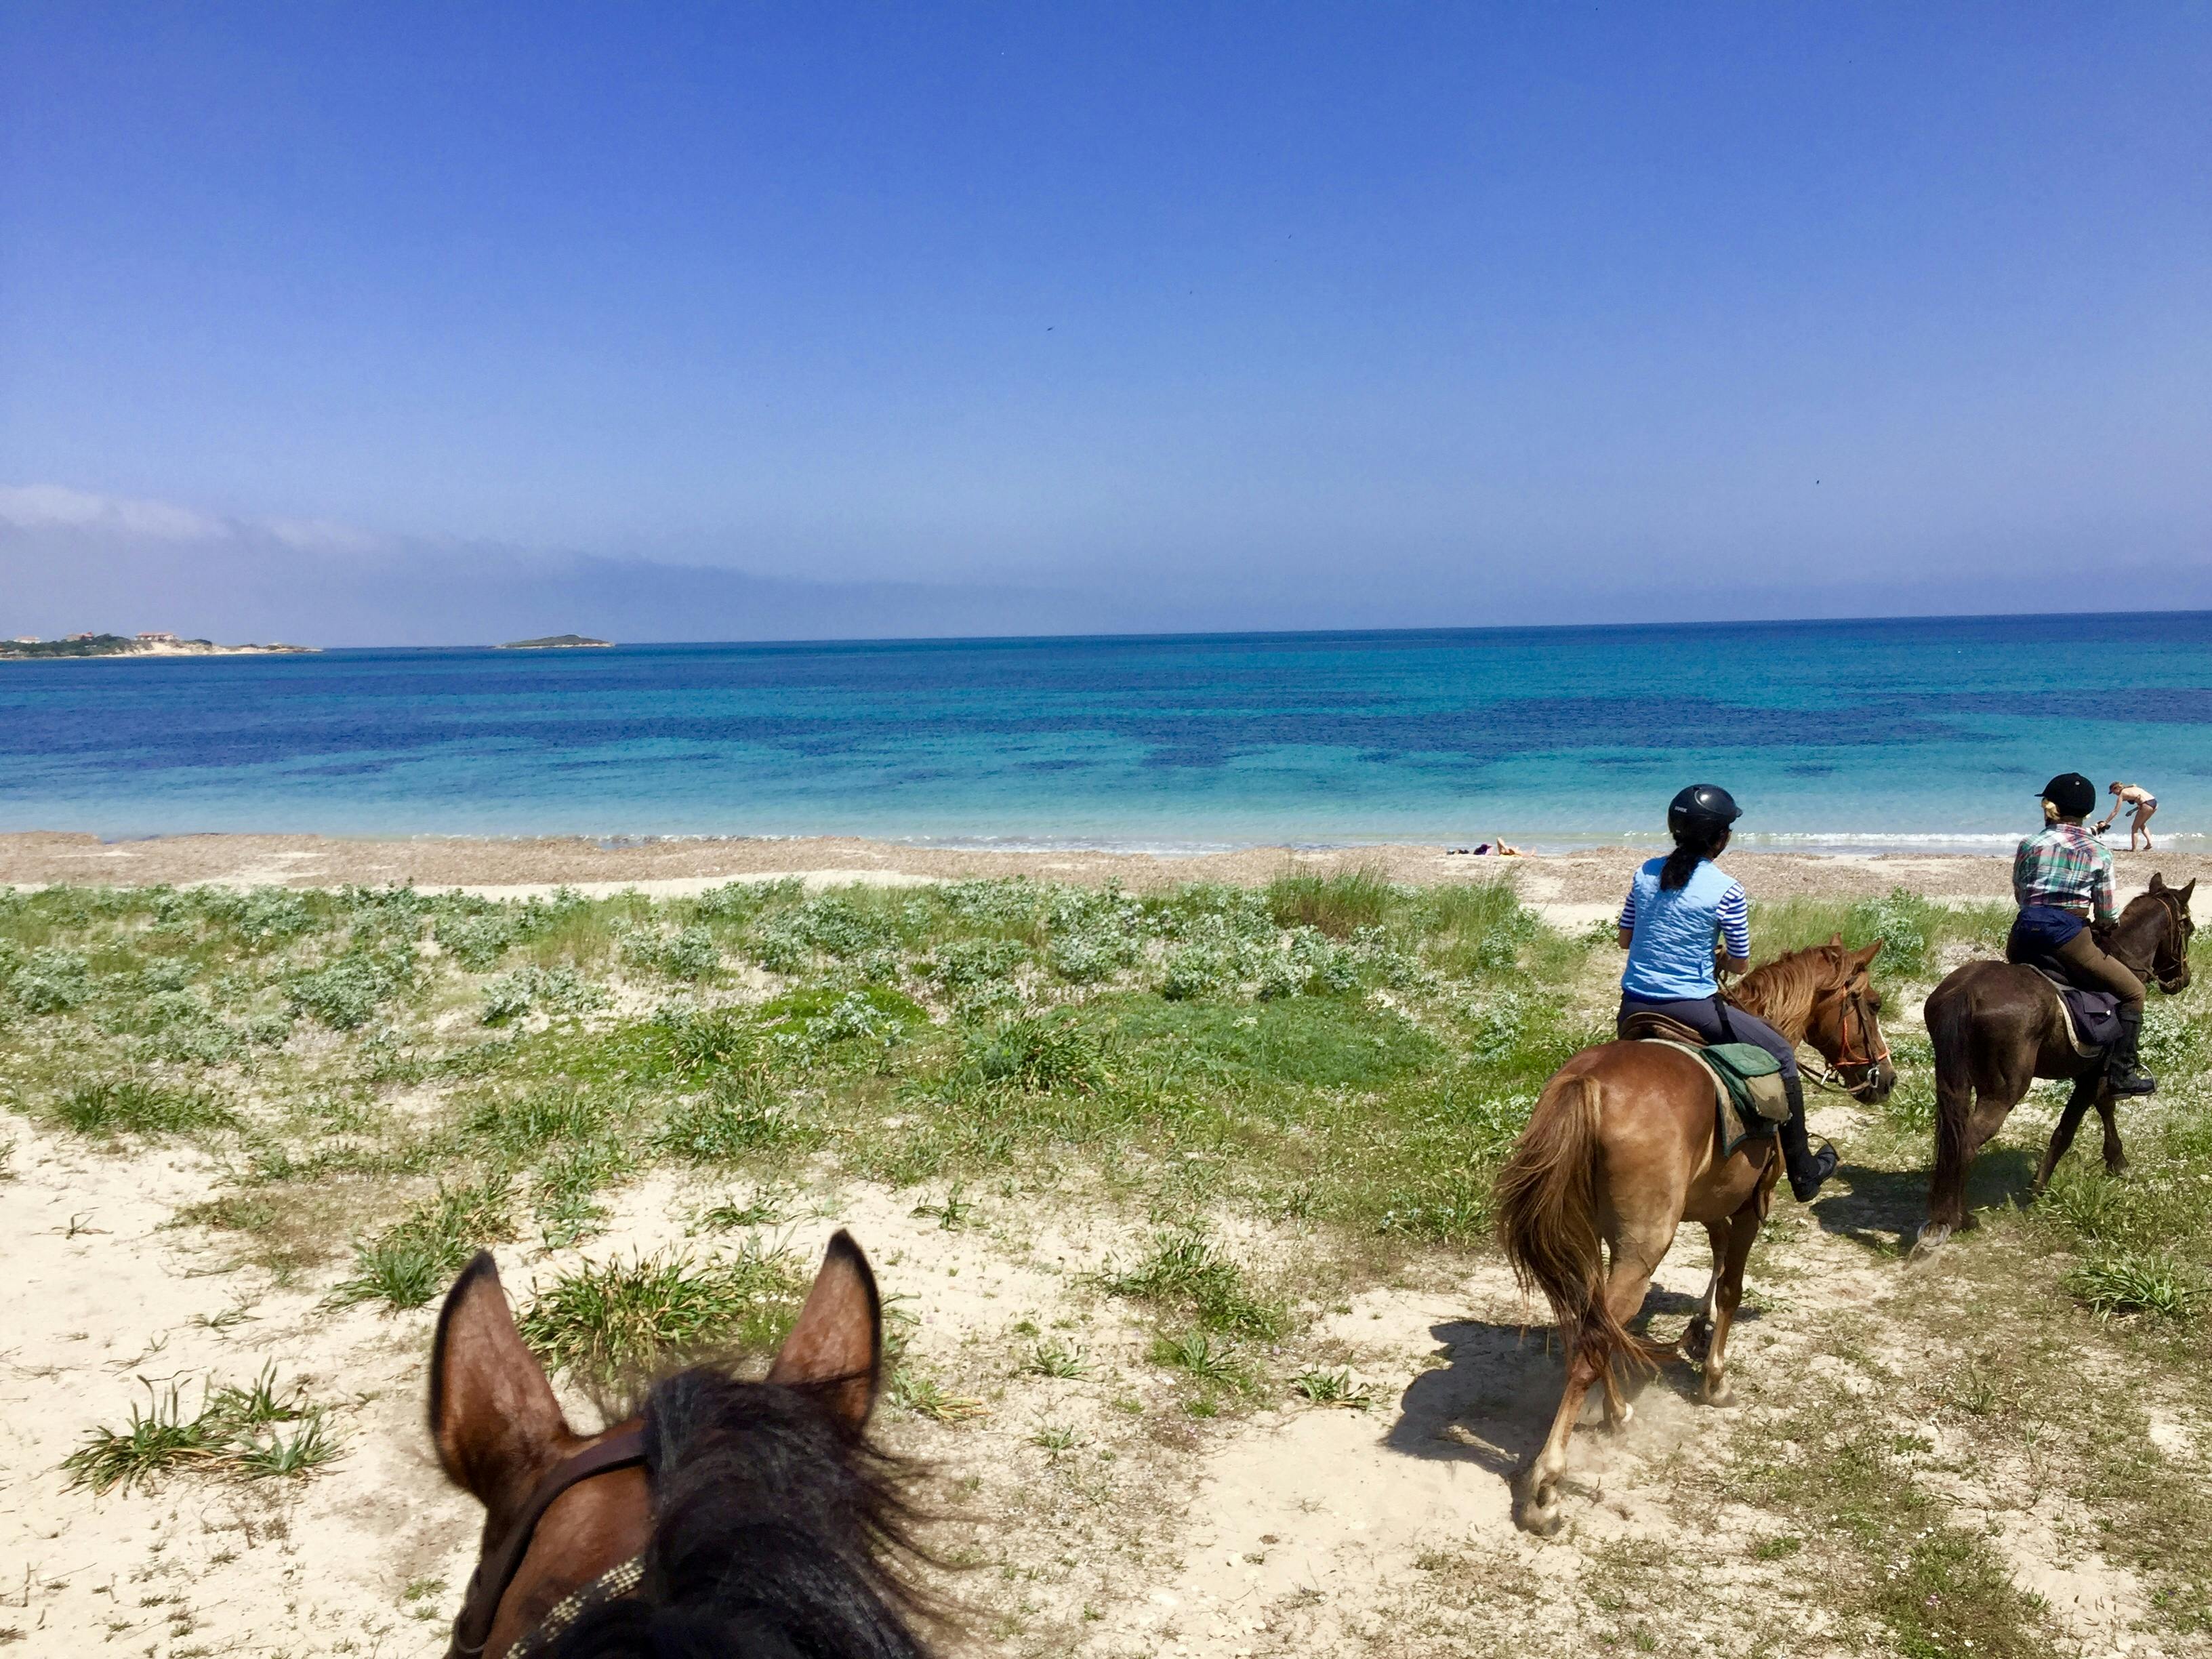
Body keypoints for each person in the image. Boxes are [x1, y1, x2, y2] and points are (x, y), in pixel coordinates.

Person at [1614, 784, 1837, 1201]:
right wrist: (1714, 956)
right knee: (1783, 1055)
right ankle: (1803, 1172)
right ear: (1721, 838)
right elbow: (1739, 964)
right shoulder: (1726, 889)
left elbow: (1625, 939)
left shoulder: (1644, 873)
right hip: (1693, 1009)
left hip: (1633, 1007)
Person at [2010, 772, 2154, 1094]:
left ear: (2050, 807)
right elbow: (2106, 913)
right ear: (2087, 812)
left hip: (2023, 932)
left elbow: (2021, 893)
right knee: (2134, 993)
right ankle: (2122, 1073)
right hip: (2068, 936)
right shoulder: (2098, 851)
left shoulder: (2030, 844)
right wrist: (2104, 925)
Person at [2095, 780, 2158, 853]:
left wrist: (2106, 822)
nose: (2114, 794)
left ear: (2117, 788)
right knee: (2141, 824)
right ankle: (2149, 843)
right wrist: (2132, 811)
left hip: (2146, 805)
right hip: (2154, 804)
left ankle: (2134, 849)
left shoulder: (2122, 794)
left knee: (2134, 828)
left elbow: (2115, 811)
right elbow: (2144, 802)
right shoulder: (2133, 788)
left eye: (2113, 792)